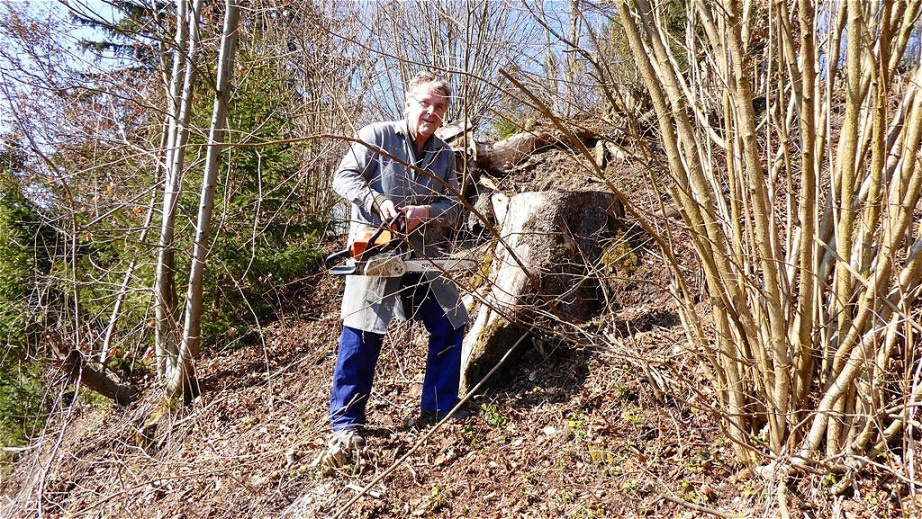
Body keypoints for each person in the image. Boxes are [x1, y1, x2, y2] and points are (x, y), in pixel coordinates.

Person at [318, 71, 467, 470]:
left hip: (421, 254)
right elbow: (342, 177)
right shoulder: (378, 135)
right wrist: (378, 201)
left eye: (440, 108)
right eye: (425, 104)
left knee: (453, 320)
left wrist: (426, 213)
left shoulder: (444, 155)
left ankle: (439, 408)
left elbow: (453, 206)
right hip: (375, 251)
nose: (432, 113)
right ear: (408, 103)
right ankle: (346, 423)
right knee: (362, 330)